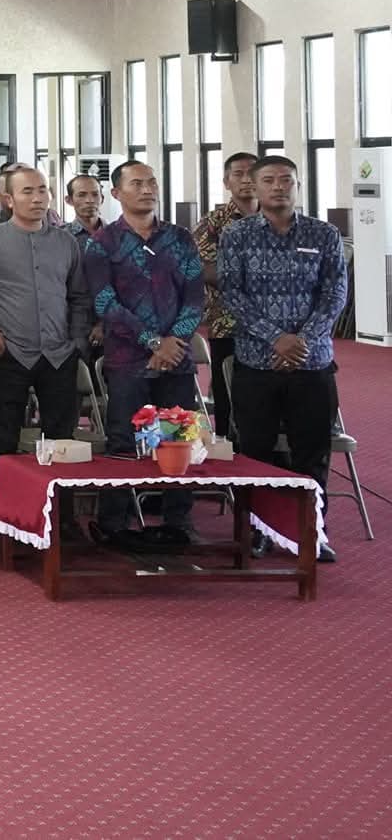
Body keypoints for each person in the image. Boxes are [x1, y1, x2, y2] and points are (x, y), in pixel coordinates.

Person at [219, 155, 346, 563]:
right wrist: (276, 339)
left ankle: (311, 531)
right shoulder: (237, 235)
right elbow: (232, 293)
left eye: (286, 180)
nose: (278, 186)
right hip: (257, 362)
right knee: (255, 453)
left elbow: (335, 294)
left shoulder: (324, 234)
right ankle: (257, 530)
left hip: (312, 363)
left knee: (312, 453)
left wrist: (301, 341)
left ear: (297, 185)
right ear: (254, 187)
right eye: (269, 180)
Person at [83, 160, 203, 546]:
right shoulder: (102, 243)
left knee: (177, 438)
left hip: (176, 358)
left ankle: (178, 521)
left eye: (151, 182)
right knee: (123, 441)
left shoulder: (180, 239)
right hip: (127, 360)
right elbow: (106, 302)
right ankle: (113, 523)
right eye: (137, 183)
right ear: (117, 193)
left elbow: (195, 298)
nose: (147, 189)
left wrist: (173, 344)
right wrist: (153, 342)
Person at [0, 167, 88, 502]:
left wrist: (76, 341)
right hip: (9, 351)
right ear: (8, 199)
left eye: (42, 190)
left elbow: (79, 296)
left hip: (58, 354)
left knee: (61, 441)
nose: (37, 198)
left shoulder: (66, 242)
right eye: (27, 192)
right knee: (3, 437)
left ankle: (59, 517)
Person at [192, 151, 258, 440]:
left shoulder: (279, 217)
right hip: (228, 324)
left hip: (277, 328)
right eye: (238, 174)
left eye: (252, 174)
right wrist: (264, 281)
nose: (246, 180)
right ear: (226, 182)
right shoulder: (213, 222)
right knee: (229, 398)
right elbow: (207, 269)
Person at [65, 173, 106, 240]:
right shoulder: (60, 236)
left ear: (102, 199)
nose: (90, 200)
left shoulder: (117, 234)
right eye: (81, 195)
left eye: (95, 194)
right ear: (69, 200)